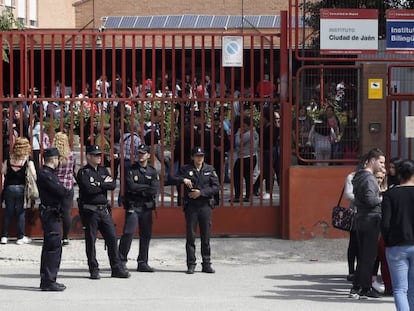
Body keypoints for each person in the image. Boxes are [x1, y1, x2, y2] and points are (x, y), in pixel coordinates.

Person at [76, 145, 130, 280]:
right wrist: (102, 184)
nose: (99, 157)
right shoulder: (83, 172)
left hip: (103, 209)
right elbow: (88, 189)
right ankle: (93, 269)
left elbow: (112, 185)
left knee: (112, 238)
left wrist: (97, 184)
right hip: (90, 211)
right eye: (95, 155)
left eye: (99, 155)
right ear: (88, 156)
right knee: (91, 241)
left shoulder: (103, 170)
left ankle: (116, 268)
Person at [171, 146, 219, 274]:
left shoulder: (209, 169)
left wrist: (201, 193)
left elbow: (215, 187)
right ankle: (191, 264)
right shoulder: (186, 169)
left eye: (201, 156)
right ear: (192, 157)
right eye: (197, 156)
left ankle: (206, 263)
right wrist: (183, 179)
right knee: (191, 236)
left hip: (205, 206)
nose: (199, 158)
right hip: (191, 207)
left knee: (206, 236)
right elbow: (171, 179)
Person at [349, 148, 385, 299]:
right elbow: (371, 200)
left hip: (361, 217)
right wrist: (383, 197)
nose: (382, 165)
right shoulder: (369, 178)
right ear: (372, 160)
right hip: (371, 218)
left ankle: (357, 286)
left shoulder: (358, 175)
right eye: (381, 162)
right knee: (368, 255)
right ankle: (365, 288)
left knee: (363, 254)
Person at [119, 144, 160, 272]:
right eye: (139, 153)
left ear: (148, 155)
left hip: (146, 207)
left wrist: (140, 188)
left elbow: (154, 189)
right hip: (133, 206)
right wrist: (145, 188)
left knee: (146, 235)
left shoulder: (152, 171)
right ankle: (121, 261)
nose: (141, 156)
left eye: (143, 153)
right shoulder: (131, 170)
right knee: (128, 233)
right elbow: (131, 187)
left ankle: (142, 262)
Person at [382, 159, 414, 311]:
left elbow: (385, 223)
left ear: (399, 174)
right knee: (413, 289)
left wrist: (388, 242)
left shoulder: (390, 194)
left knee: (400, 289)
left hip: (396, 245)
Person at [37, 147, 69, 291]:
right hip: (50, 214)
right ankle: (49, 280)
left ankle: (48, 279)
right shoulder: (45, 174)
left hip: (53, 213)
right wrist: (64, 191)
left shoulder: (50, 174)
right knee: (53, 247)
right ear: (53, 159)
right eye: (57, 159)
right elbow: (60, 191)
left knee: (51, 246)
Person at [1, 137, 34, 245]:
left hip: (9, 187)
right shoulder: (28, 159)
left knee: (8, 212)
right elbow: (34, 174)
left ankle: (4, 236)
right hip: (21, 187)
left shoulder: (9, 157)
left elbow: (3, 171)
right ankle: (20, 237)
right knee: (20, 212)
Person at [343, 155, 367, 282]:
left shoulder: (375, 176)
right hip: (356, 213)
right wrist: (364, 200)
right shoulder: (352, 176)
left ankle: (361, 270)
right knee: (354, 243)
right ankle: (351, 270)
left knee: (366, 244)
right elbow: (348, 194)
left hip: (369, 214)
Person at [53, 132, 76, 246]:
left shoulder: (54, 155)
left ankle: (55, 234)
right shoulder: (71, 154)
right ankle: (66, 237)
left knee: (55, 211)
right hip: (68, 184)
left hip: (56, 185)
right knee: (66, 212)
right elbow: (73, 168)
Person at [231, 116, 259, 203]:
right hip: (251, 156)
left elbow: (238, 142)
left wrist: (237, 133)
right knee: (247, 177)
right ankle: (247, 195)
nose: (242, 128)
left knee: (237, 175)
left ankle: (237, 196)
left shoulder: (249, 134)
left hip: (245, 157)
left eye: (244, 126)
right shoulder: (254, 133)